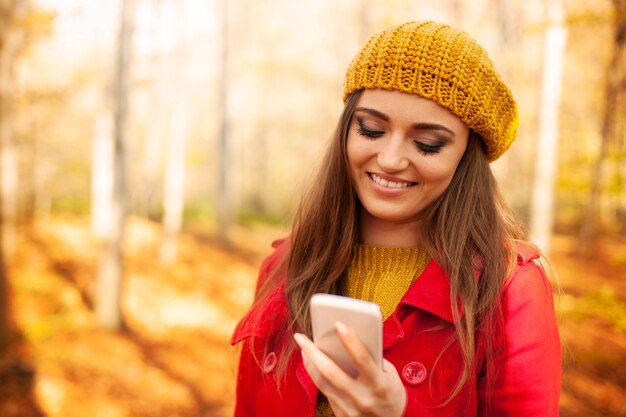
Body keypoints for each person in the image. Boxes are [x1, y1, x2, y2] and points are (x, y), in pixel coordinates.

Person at [231, 21, 561, 417]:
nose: (389, 159)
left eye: (427, 144)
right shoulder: (284, 266)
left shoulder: (508, 286)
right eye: (371, 130)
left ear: (465, 157)